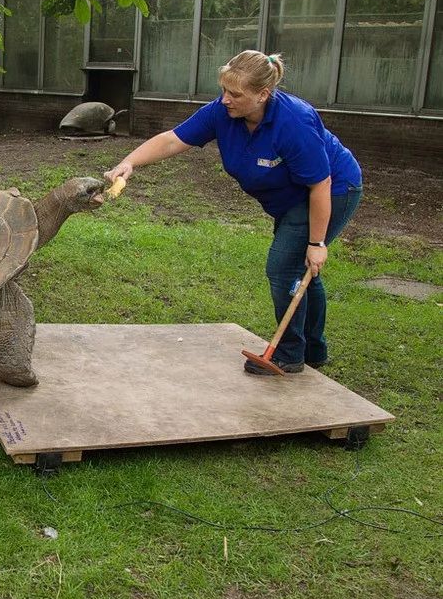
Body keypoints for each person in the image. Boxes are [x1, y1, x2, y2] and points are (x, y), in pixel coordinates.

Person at [105, 50, 363, 375]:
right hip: (293, 197)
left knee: (284, 267)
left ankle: (289, 354)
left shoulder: (294, 121)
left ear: (263, 94)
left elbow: (321, 183)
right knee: (302, 271)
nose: (225, 99)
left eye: (235, 94)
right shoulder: (222, 112)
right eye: (224, 90)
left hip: (333, 189)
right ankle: (314, 350)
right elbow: (173, 140)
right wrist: (130, 162)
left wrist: (317, 243)